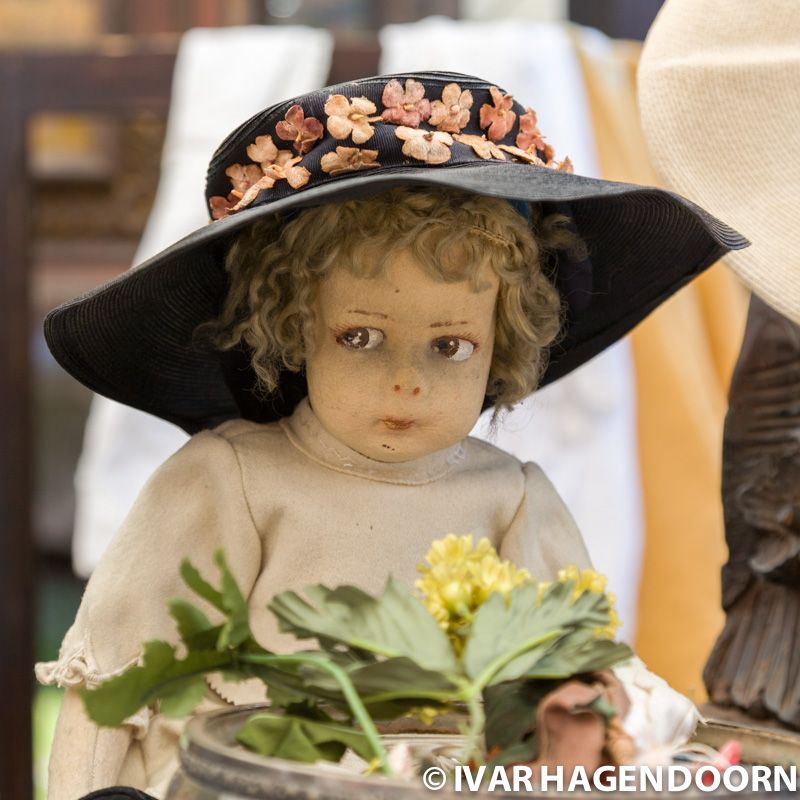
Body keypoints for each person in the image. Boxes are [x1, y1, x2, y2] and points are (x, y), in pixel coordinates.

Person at [36, 72, 745, 798]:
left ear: (501, 341)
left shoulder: (509, 499)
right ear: (295, 326)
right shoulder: (228, 482)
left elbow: (583, 674)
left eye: (449, 347)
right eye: (362, 336)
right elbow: (117, 680)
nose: (407, 379)